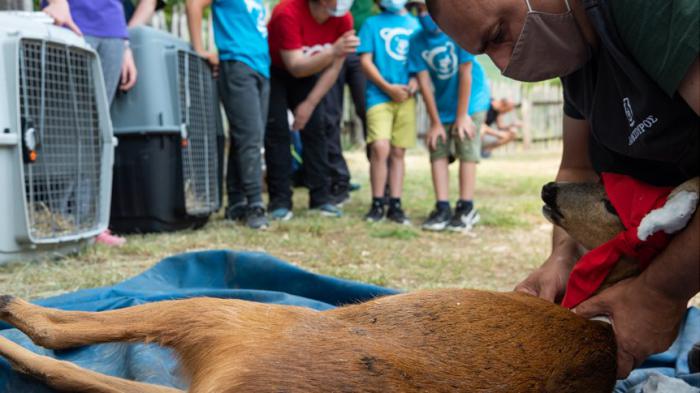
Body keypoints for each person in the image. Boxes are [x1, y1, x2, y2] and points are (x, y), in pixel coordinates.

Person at [426, 0, 699, 379]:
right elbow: (576, 169)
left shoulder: (653, 9)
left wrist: (659, 293)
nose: (504, 64)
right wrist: (565, 257)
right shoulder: (578, 56)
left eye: (500, 35)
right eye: (486, 53)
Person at [42, 0, 144, 247]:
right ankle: (54, 220)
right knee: (66, 126)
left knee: (97, 128)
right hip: (70, 22)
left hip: (111, 30)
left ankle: (91, 224)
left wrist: (125, 44)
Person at [265, 0, 359, 220]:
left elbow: (335, 68)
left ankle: (321, 199)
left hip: (311, 73)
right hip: (276, 70)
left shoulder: (343, 18)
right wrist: (334, 50)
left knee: (317, 130)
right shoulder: (286, 12)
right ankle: (279, 201)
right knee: (277, 132)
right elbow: (295, 66)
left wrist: (309, 104)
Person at [186, 0, 271, 230]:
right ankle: (255, 205)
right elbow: (194, 4)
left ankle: (236, 202)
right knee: (251, 137)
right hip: (237, 63)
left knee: (246, 136)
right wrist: (199, 49)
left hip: (261, 66)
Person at [408, 1, 490, 232]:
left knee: (465, 142)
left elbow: (466, 73)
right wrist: (434, 123)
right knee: (438, 147)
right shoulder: (416, 41)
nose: (425, 15)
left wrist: (462, 115)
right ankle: (442, 207)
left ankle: (466, 207)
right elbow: (424, 82)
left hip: (471, 100)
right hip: (442, 104)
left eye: (428, 8)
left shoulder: (459, 32)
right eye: (420, 10)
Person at [358, 0, 420, 224]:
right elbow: (365, 61)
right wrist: (387, 87)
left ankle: (395, 203)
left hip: (406, 97)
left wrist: (414, 83)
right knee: (379, 147)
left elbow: (420, 63)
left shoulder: (415, 24)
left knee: (398, 152)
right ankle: (377, 203)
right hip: (378, 96)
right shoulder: (371, 24)